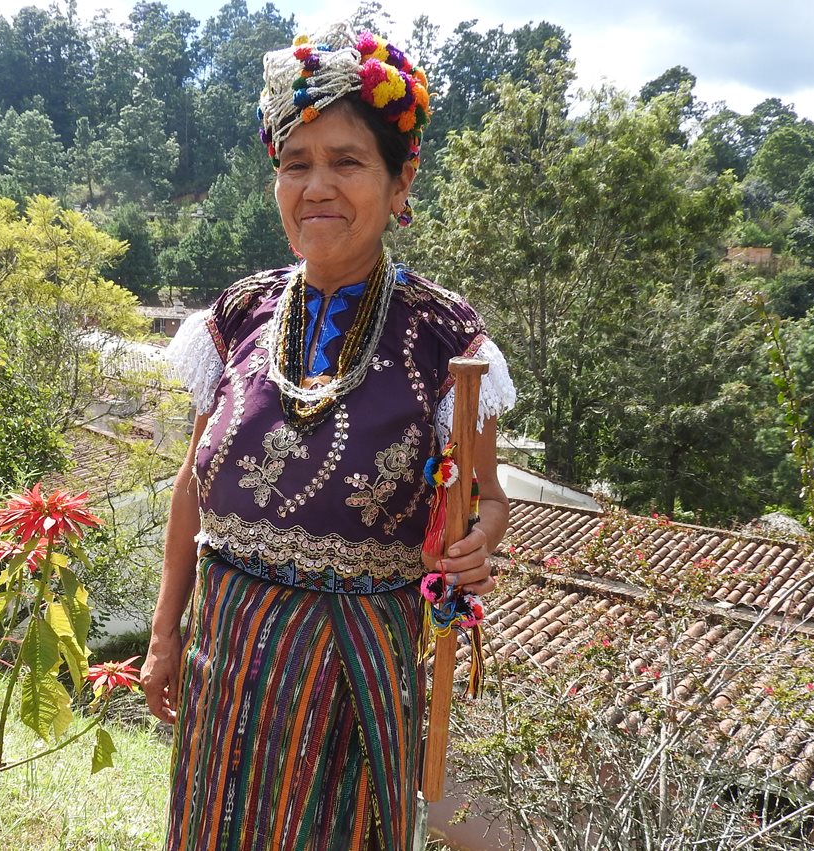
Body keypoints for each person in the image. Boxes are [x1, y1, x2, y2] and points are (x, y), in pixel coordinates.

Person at [140, 23, 516, 851]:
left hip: (355, 676)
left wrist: (477, 542)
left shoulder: (447, 340)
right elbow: (191, 488)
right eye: (295, 163)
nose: (316, 186)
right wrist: (166, 635)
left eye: (347, 161)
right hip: (227, 658)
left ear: (399, 180)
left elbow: (488, 500)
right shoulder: (238, 314)